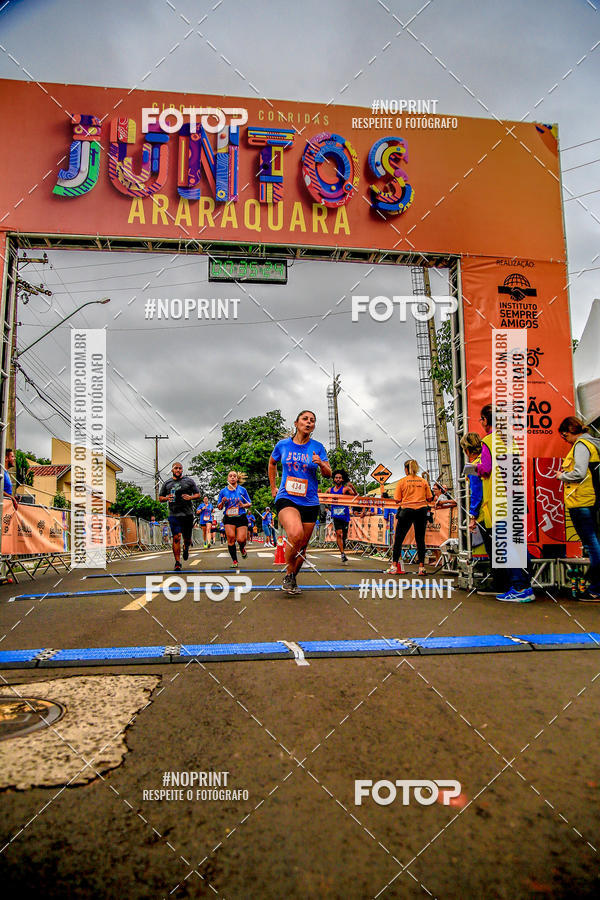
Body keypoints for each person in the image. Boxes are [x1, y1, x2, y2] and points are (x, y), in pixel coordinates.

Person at [268, 409, 331, 594]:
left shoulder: (317, 447)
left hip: (310, 501)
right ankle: (289, 573)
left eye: (312, 420)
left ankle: (293, 578)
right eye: (305, 419)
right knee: (295, 534)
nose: (308, 422)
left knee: (302, 546)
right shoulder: (283, 445)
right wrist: (273, 487)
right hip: (287, 497)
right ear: (296, 423)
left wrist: (320, 463)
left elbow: (328, 473)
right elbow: (272, 463)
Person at [476, 403, 534, 602]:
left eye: (481, 419)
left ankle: (520, 587)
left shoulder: (488, 441)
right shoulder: (510, 440)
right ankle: (524, 582)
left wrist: (475, 468)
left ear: (486, 420)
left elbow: (485, 468)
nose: (481, 423)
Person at [557, 416, 600, 600]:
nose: (564, 439)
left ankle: (596, 587)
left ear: (569, 430)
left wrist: (562, 476)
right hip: (590, 498)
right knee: (594, 542)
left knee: (592, 545)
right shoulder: (593, 444)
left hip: (581, 500)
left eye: (564, 435)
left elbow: (580, 472)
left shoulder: (581, 446)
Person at [386, 460, 433, 576]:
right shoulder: (423, 481)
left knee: (398, 539)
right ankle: (421, 568)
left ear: (406, 469)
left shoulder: (402, 481)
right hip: (421, 510)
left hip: (406, 510)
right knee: (420, 539)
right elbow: (429, 498)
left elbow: (397, 499)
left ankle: (393, 566)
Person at [158, 462, 200, 570]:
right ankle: (177, 562)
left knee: (187, 539)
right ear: (172, 470)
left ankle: (186, 548)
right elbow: (160, 498)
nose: (178, 470)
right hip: (174, 514)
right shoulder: (167, 483)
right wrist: (167, 498)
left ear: (182, 470)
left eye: (180, 468)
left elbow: (198, 494)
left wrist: (190, 497)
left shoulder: (189, 481)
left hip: (187, 514)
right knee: (176, 537)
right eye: (176, 468)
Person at [217, 471, 251, 568]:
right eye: (230, 476)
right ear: (227, 479)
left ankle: (242, 548)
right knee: (231, 538)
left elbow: (249, 503)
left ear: (237, 478)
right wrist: (222, 502)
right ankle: (235, 561)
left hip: (240, 516)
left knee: (241, 539)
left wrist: (243, 505)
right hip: (229, 517)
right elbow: (219, 507)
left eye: (234, 476)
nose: (232, 478)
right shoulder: (223, 491)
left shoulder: (242, 490)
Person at [329, 468, 357, 563]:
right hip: (335, 515)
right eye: (336, 477)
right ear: (333, 479)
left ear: (342, 479)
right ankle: (342, 554)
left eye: (340, 478)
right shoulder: (330, 490)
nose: (337, 479)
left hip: (344, 515)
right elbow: (323, 498)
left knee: (344, 536)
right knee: (339, 533)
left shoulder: (345, 489)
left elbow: (356, 497)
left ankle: (342, 548)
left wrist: (352, 487)